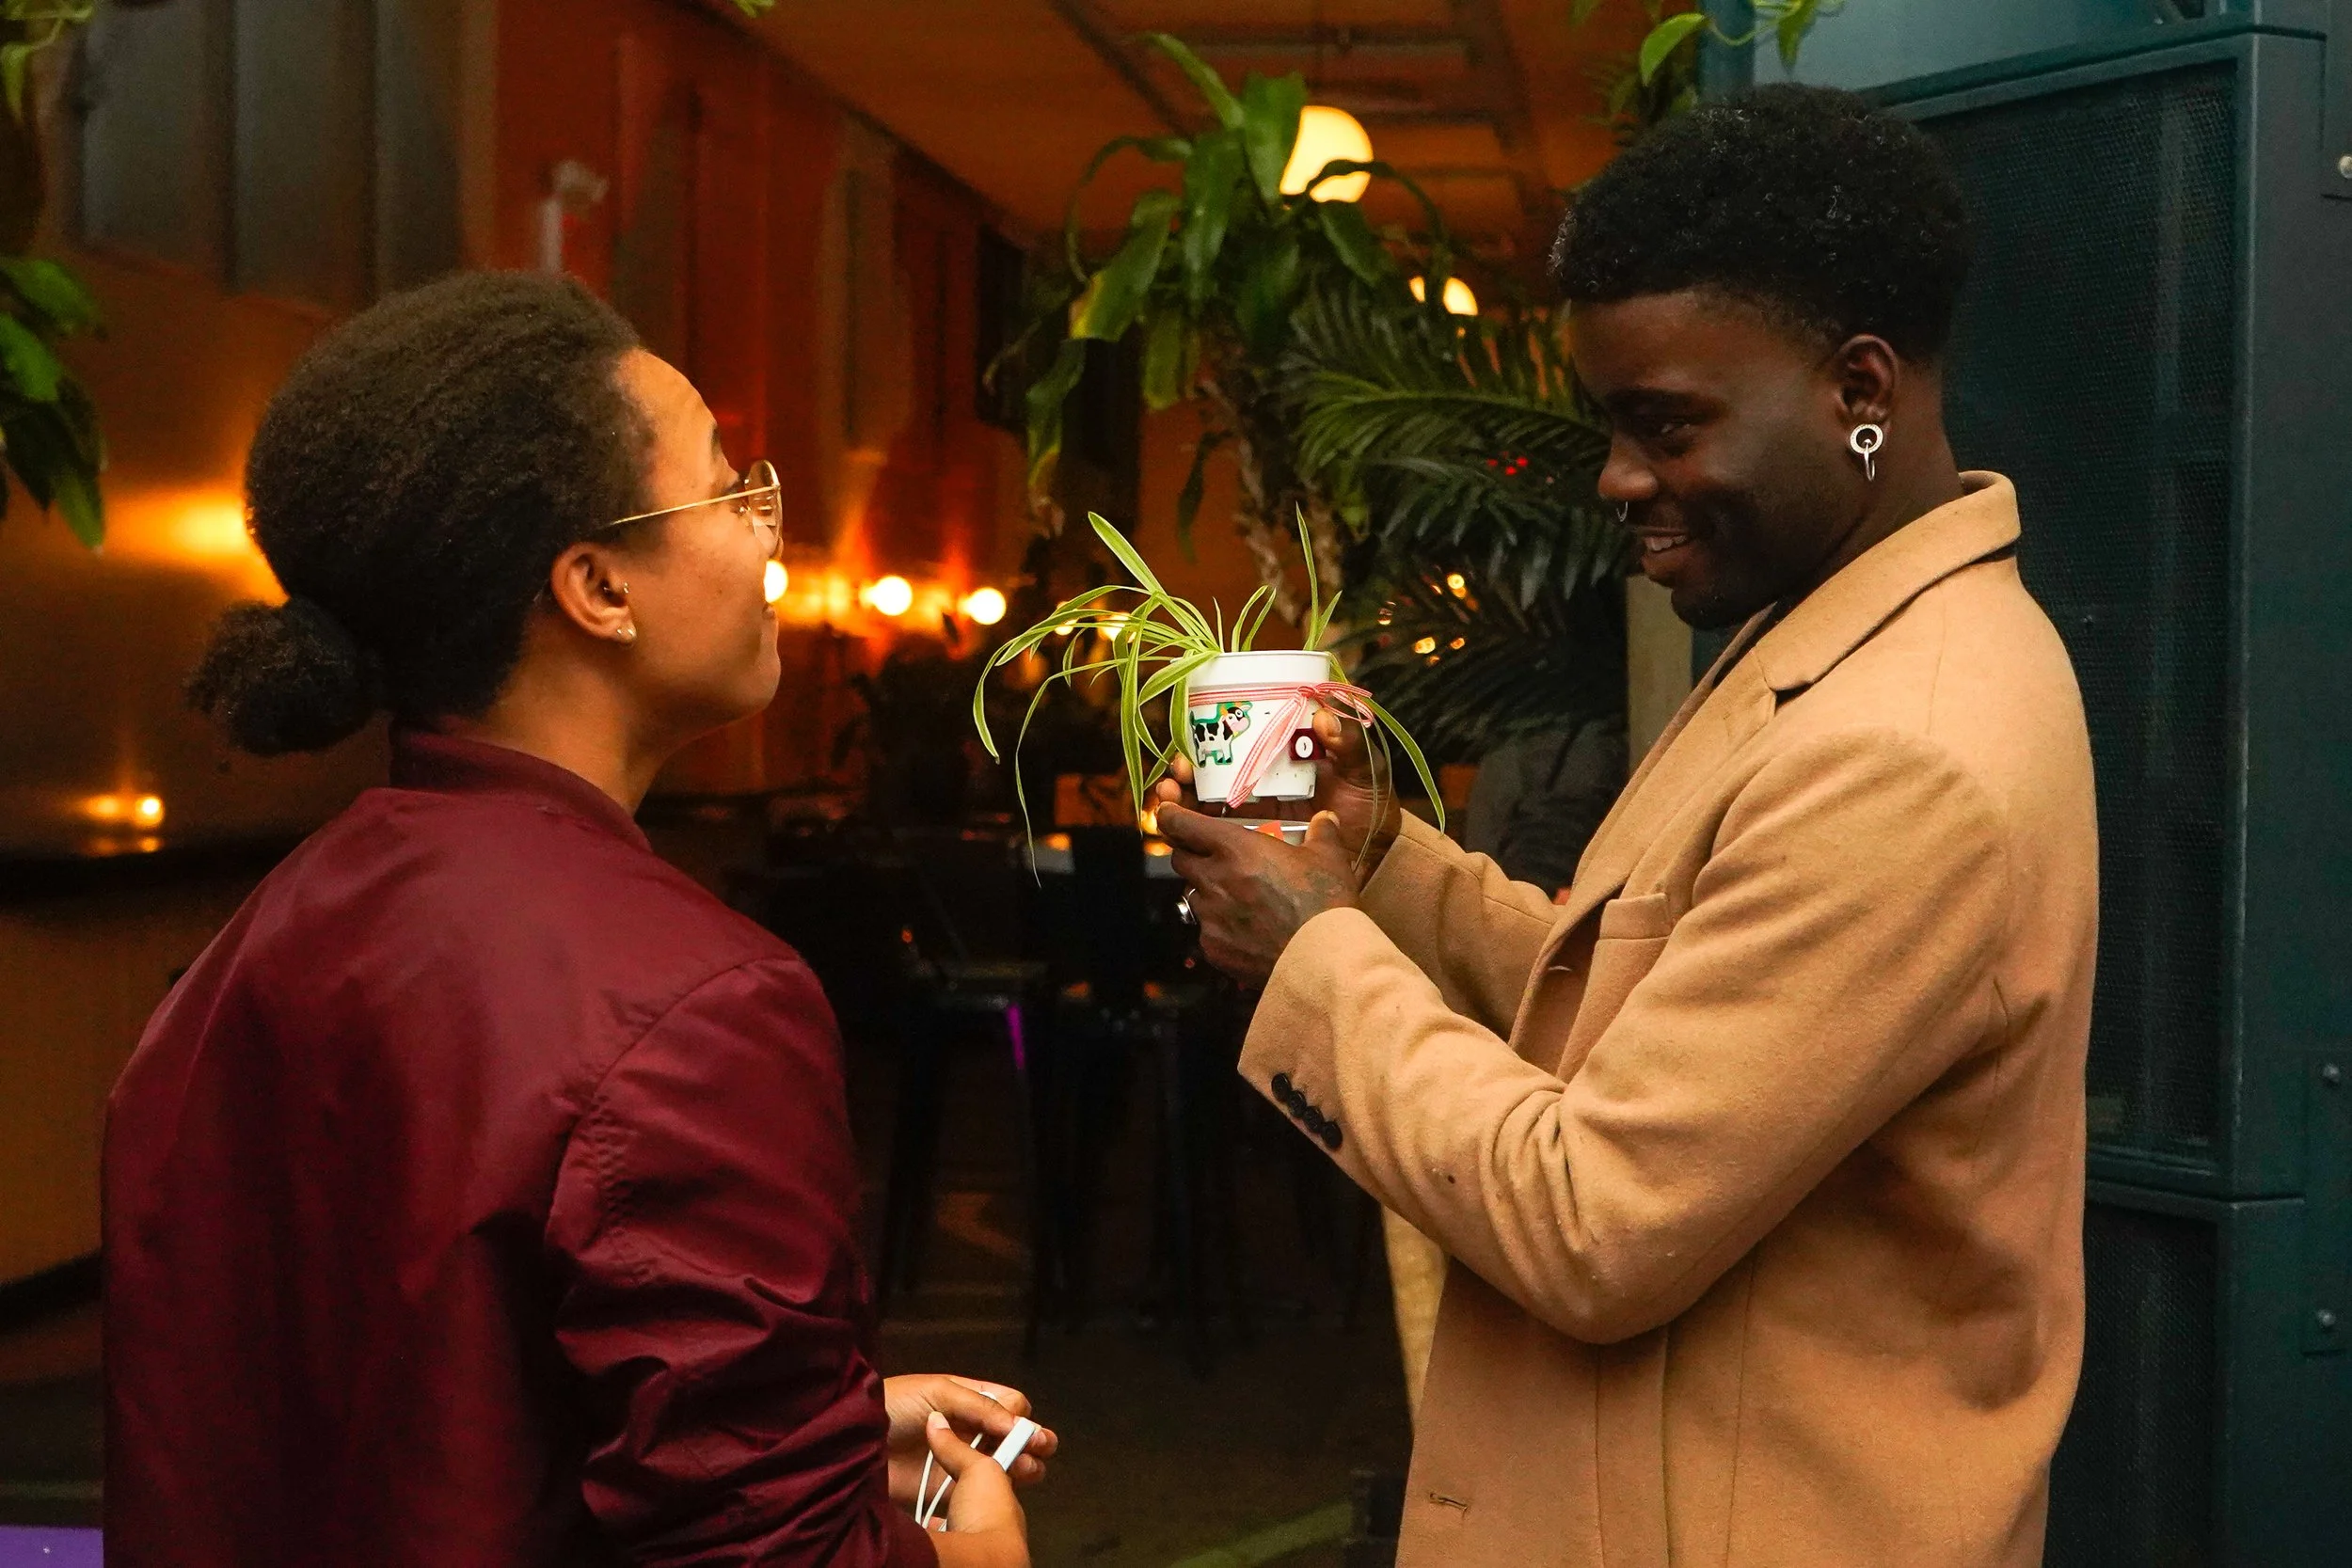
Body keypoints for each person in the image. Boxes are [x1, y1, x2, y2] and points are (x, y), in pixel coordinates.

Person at [1154, 87, 2096, 1567]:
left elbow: (1599, 1220)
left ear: (1861, 387)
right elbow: (1644, 1018)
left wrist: (1314, 951)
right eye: (1612, 423)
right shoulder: (1834, 644)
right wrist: (1379, 859)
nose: (1617, 480)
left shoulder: (1907, 746)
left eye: (1665, 424)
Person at [105, 273, 1049, 1568]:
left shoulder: (262, 938)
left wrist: (814, 1435)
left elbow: (404, 1415)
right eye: (728, 488)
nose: (771, 535)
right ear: (600, 585)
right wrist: (969, 1552)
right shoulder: (697, 1003)